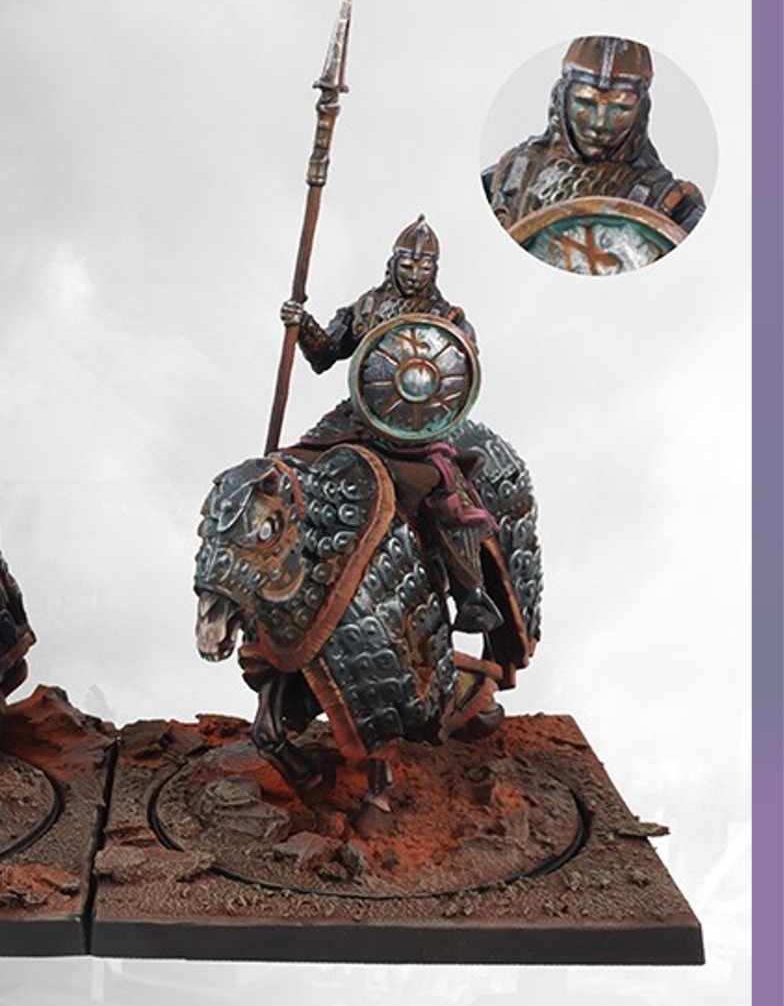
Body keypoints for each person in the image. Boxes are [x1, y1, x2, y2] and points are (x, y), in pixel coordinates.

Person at [281, 217, 505, 634]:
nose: (415, 273)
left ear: (434, 270)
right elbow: (325, 355)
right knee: (287, 466)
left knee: (448, 491)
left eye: (423, 267)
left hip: (416, 429)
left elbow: (460, 373)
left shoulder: (449, 318)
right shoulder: (366, 307)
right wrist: (302, 324)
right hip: (359, 416)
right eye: (407, 265)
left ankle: (470, 592)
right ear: (393, 263)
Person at [483, 35, 705, 236]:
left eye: (620, 108)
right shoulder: (510, 175)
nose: (599, 123)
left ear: (641, 110)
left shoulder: (675, 207)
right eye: (585, 103)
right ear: (561, 99)